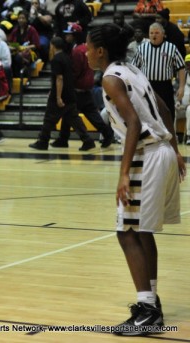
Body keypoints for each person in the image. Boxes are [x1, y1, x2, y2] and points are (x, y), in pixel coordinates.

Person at [86, 23, 186, 335]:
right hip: (162, 150)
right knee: (140, 232)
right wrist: (175, 149)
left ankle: (147, 309)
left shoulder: (111, 77)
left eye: (88, 47)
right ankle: (150, 304)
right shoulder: (131, 70)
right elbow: (163, 107)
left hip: (148, 155)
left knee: (126, 232)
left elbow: (132, 124)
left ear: (100, 51)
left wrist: (123, 173)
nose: (85, 52)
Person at [52, 23, 114, 149]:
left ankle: (85, 139)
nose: (66, 36)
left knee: (71, 114)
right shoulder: (85, 48)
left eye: (68, 34)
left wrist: (67, 85)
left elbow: (75, 71)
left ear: (74, 35)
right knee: (88, 113)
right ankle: (106, 133)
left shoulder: (76, 51)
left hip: (77, 89)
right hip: (87, 87)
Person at [29, 37, 95, 151]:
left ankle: (43, 141)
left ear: (53, 46)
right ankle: (87, 140)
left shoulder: (56, 59)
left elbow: (59, 78)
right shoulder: (67, 57)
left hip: (61, 94)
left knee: (49, 118)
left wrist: (58, 96)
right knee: (74, 119)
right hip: (70, 93)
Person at [131, 22, 185, 124]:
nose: (153, 35)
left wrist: (181, 87)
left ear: (163, 34)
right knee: (148, 112)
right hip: (147, 86)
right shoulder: (142, 48)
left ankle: (169, 136)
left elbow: (181, 68)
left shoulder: (171, 48)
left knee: (167, 112)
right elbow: (134, 68)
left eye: (156, 33)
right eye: (151, 33)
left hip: (165, 86)